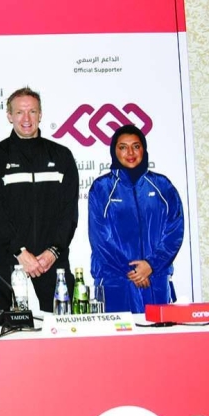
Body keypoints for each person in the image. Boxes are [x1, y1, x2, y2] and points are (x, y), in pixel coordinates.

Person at [0, 87, 79, 313]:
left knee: (61, 335)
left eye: (32, 112)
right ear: (9, 116)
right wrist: (20, 252)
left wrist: (54, 251)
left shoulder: (61, 155)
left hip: (52, 261)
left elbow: (69, 213)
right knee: (11, 334)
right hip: (10, 260)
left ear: (40, 115)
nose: (26, 119)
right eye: (20, 112)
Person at [88, 124, 184, 313]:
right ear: (114, 151)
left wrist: (151, 265)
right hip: (115, 282)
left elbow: (175, 232)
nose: (130, 152)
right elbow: (99, 239)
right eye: (123, 147)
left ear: (144, 149)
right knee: (117, 342)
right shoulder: (101, 188)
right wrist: (132, 271)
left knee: (157, 341)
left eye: (136, 146)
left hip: (154, 280)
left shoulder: (162, 186)